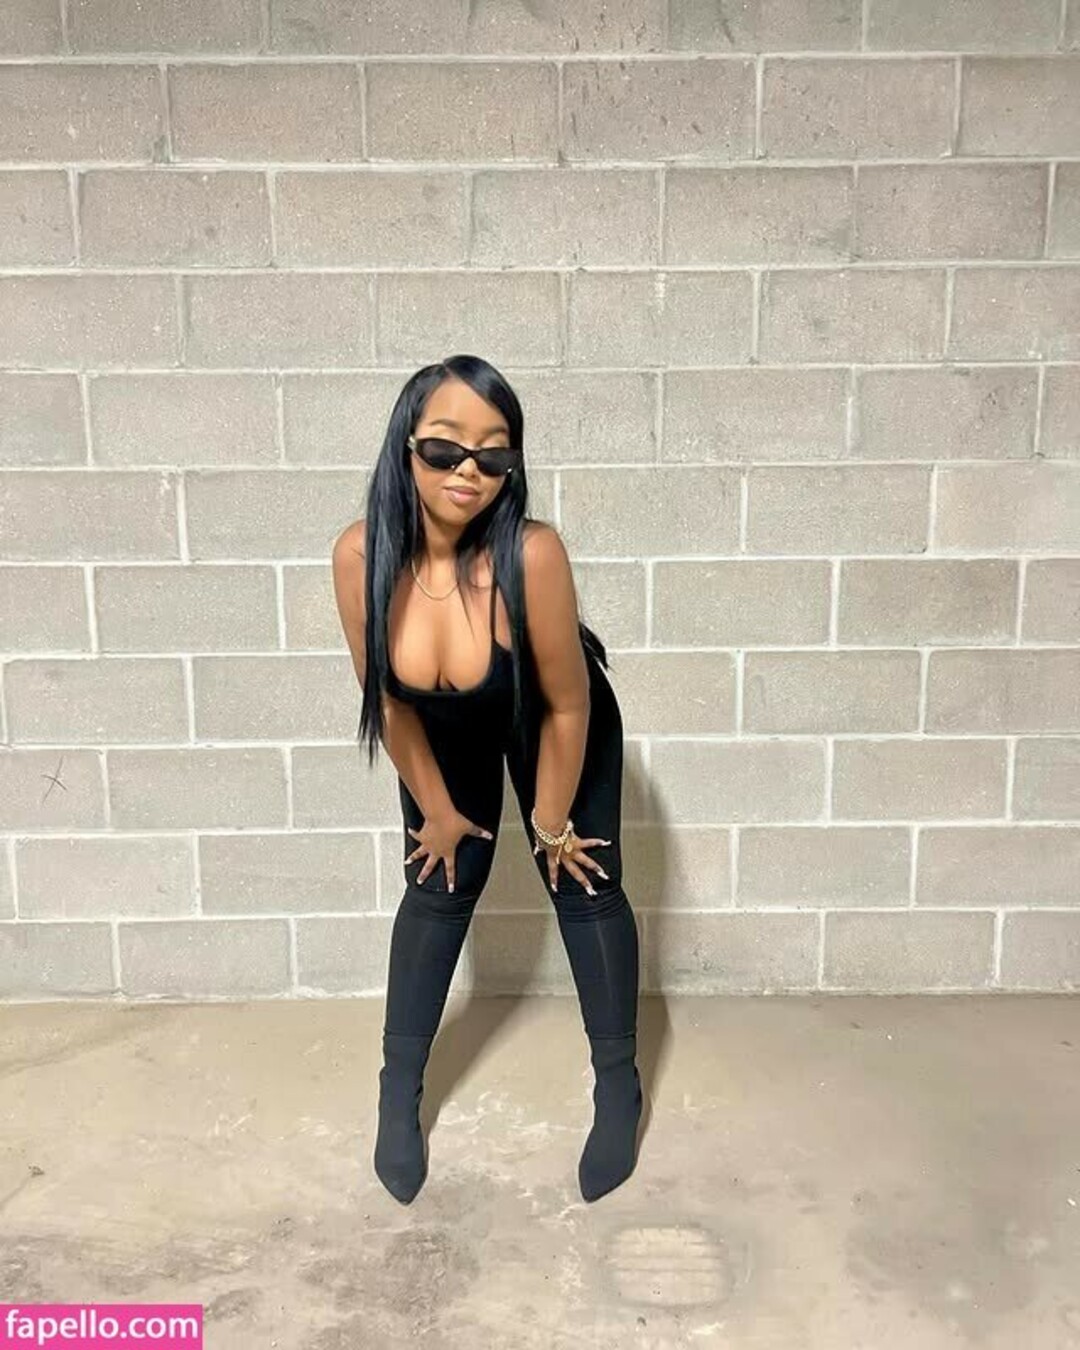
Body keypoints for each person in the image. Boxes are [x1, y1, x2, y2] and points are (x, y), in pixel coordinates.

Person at [331, 353, 642, 1205]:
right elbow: (387, 701)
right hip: (441, 724)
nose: (469, 470)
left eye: (494, 454)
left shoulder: (532, 554)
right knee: (436, 884)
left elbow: (569, 706)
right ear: (405, 447)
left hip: (552, 719)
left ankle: (618, 1084)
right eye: (445, 448)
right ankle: (398, 1092)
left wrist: (549, 823)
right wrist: (435, 809)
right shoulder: (360, 555)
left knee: (583, 882)